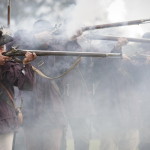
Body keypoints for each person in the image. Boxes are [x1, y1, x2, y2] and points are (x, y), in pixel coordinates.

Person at [0, 31, 36, 150]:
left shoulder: (8, 65)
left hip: (4, 118)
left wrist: (26, 65)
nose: (2, 50)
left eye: (2, 47)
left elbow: (26, 86)